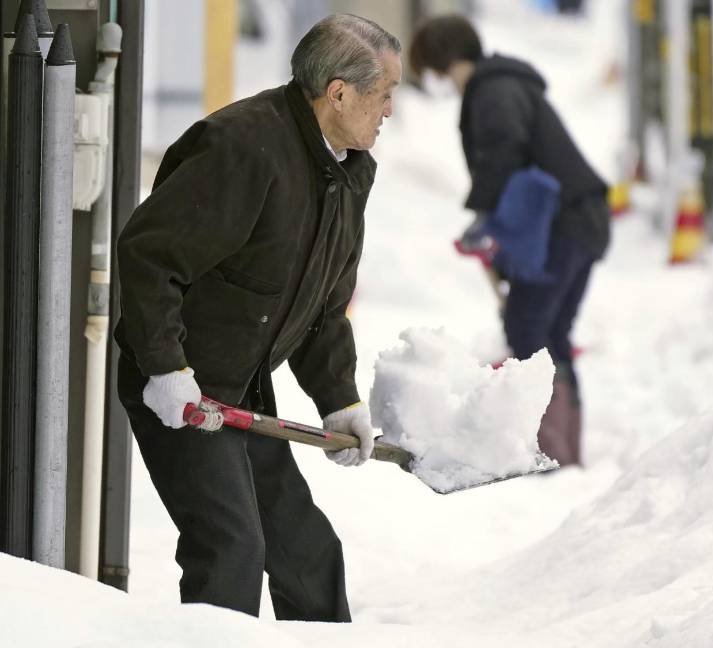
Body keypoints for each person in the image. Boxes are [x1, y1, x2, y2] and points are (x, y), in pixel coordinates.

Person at [114, 14, 401, 620]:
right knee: (231, 548)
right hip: (182, 383)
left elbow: (323, 305)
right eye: (384, 94)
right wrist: (164, 368)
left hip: (241, 384)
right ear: (339, 93)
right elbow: (150, 256)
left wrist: (339, 400)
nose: (390, 111)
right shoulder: (241, 146)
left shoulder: (349, 171)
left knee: (306, 552)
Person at [408, 14, 610, 467]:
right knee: (547, 330)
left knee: (529, 328)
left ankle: (552, 450)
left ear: (443, 61)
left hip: (565, 222)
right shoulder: (501, 84)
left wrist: (483, 215)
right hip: (576, 220)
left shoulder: (493, 90)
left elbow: (503, 146)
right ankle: (562, 451)